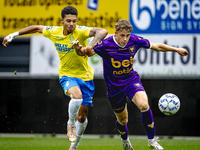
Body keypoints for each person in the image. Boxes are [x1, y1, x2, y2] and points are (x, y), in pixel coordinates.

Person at [2, 6, 108, 150]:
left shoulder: (81, 31)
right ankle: (70, 124)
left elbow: (102, 31)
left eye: (74, 21)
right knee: (77, 97)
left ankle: (74, 146)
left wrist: (90, 46)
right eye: (69, 21)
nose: (72, 24)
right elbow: (36, 28)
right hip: (66, 75)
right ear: (62, 21)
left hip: (86, 77)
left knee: (82, 117)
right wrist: (12, 35)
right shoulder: (54, 32)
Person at [72, 19, 188, 150]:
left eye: (127, 35)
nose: (125, 39)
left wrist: (176, 49)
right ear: (115, 33)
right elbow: (85, 52)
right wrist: (78, 48)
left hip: (131, 80)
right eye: (122, 35)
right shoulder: (105, 44)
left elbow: (156, 46)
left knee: (144, 105)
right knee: (123, 120)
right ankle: (125, 140)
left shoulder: (135, 40)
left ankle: (152, 141)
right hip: (114, 87)